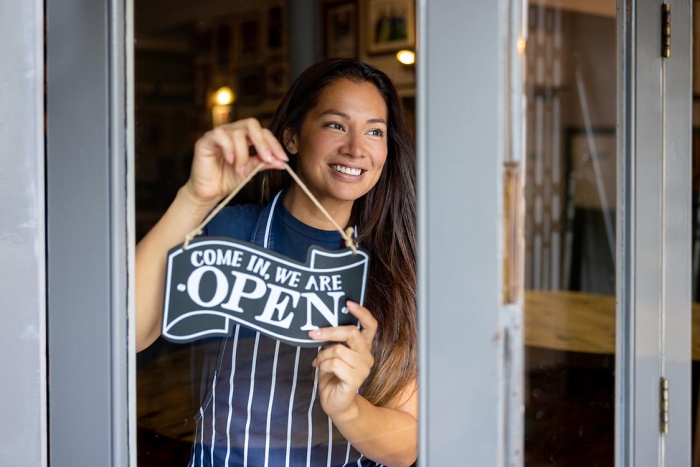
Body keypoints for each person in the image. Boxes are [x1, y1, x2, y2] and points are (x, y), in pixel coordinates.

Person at [135, 58, 418, 467]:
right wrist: (196, 199)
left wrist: (348, 410)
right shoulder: (230, 231)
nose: (356, 148)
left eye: (374, 131)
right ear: (291, 137)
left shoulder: (393, 268)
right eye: (335, 124)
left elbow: (405, 445)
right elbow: (128, 335)